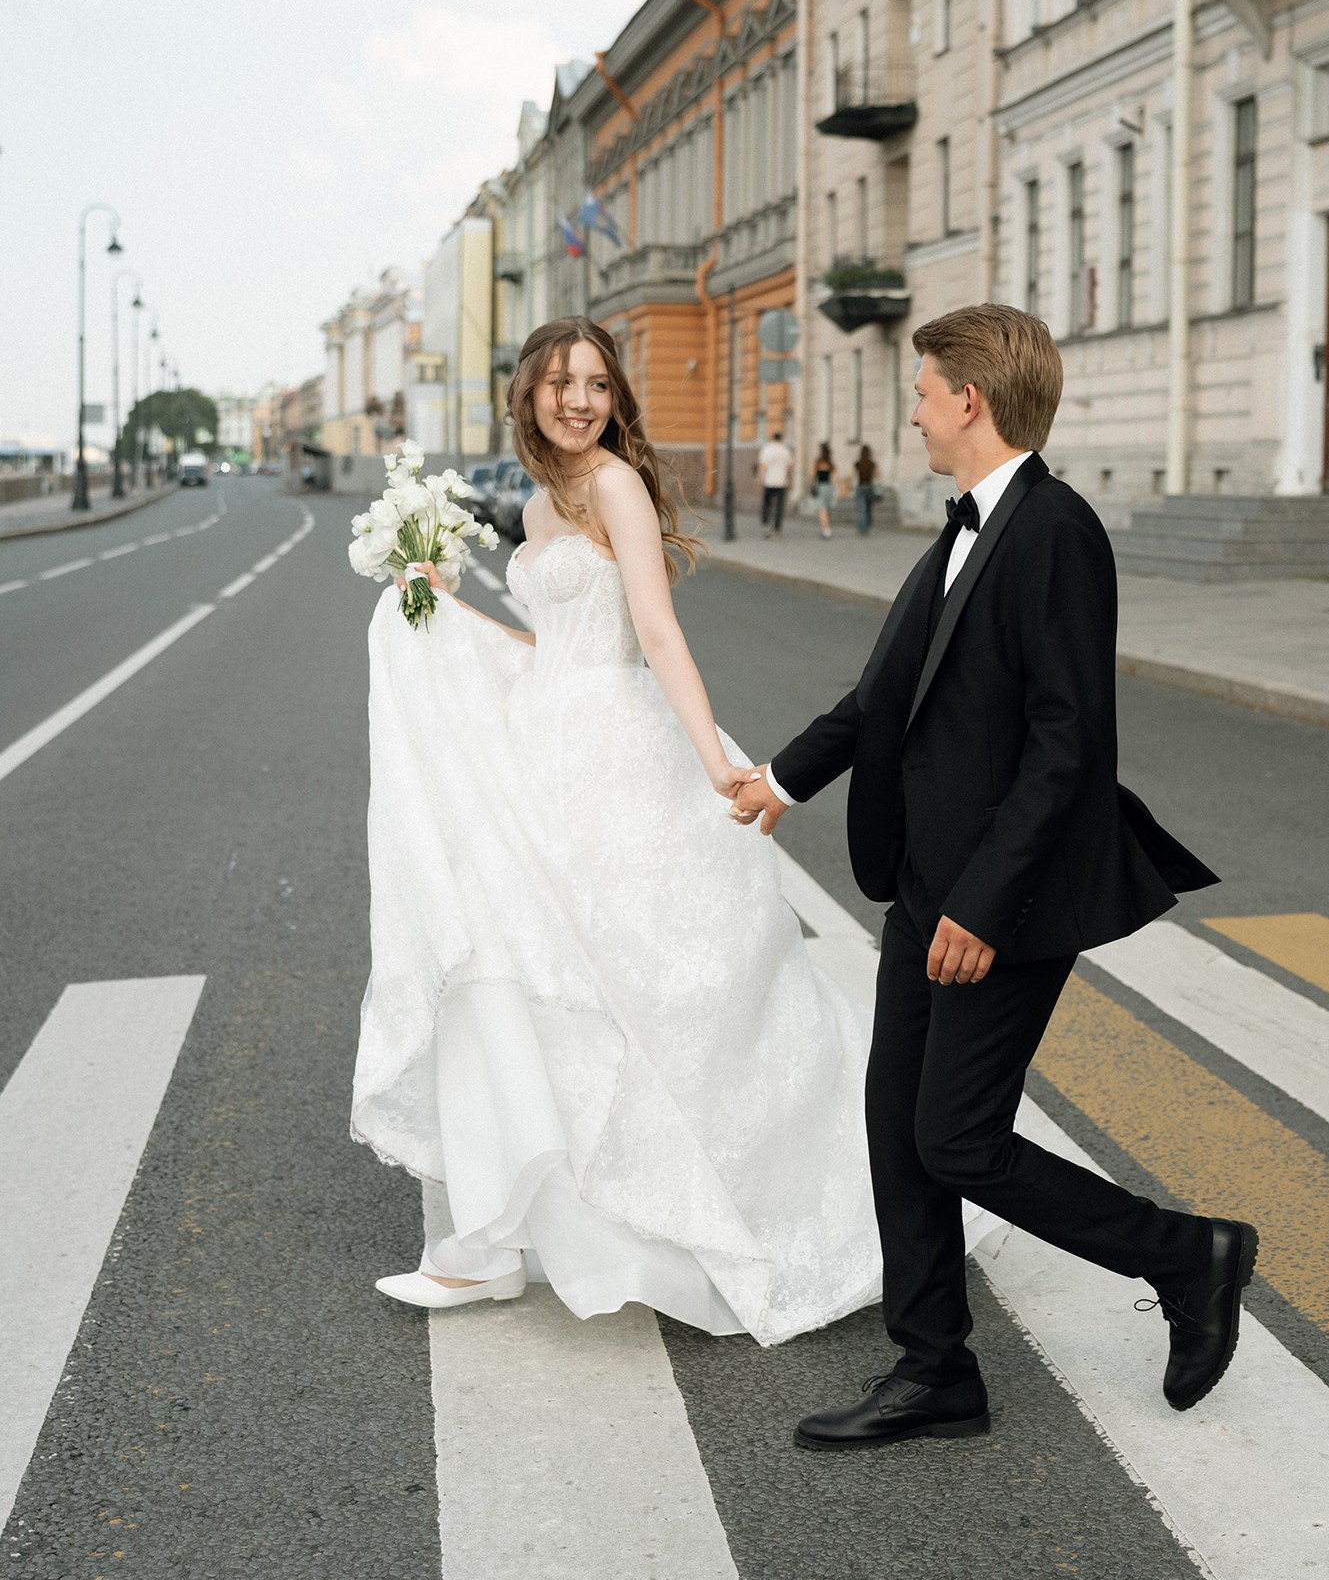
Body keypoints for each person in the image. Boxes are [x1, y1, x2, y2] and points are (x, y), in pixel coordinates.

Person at [352, 316, 993, 1341]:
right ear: (529, 394)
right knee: (517, 979)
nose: (579, 401)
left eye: (597, 384)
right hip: (540, 750)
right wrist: (442, 610)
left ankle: (641, 1222)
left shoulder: (615, 484)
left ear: (614, 399)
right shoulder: (538, 501)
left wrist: (710, 761)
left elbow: (653, 631)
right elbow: (551, 642)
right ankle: (494, 1241)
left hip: (617, 758)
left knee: (627, 988)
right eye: (560, 382)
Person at [731, 303, 1255, 1449]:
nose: (912, 414)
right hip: (926, 883)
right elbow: (886, 696)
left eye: (921, 394)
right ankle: (934, 1372)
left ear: (968, 399)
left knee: (957, 1137)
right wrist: (780, 778)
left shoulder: (1055, 531)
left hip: (1003, 898)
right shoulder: (963, 529)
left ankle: (1187, 1255)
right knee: (896, 1128)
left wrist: (980, 904)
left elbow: (1069, 744)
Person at [757, 428, 793, 537]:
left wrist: (760, 480)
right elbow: (789, 467)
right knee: (779, 506)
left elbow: (762, 466)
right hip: (781, 482)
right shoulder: (785, 450)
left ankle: (766, 525)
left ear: (772, 438)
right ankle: (777, 530)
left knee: (767, 504)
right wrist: (789, 480)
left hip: (768, 481)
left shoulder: (766, 449)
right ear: (781, 438)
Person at [810, 442, 835, 538]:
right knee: (826, 509)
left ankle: (826, 530)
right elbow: (835, 477)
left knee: (822, 510)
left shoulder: (817, 463)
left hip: (820, 487)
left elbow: (812, 475)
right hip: (829, 487)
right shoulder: (830, 463)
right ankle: (827, 528)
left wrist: (810, 485)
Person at [853, 445, 878, 535]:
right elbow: (878, 475)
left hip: (861, 487)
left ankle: (862, 529)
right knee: (868, 509)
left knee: (861, 509)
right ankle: (868, 527)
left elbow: (852, 474)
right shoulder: (872, 464)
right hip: (870, 487)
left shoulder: (858, 463)